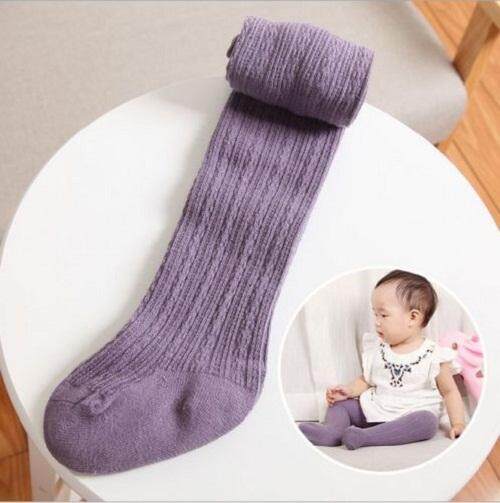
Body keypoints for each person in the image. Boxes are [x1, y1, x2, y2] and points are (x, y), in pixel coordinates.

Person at [299, 269, 466, 450]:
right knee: (340, 406)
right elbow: (366, 380)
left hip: (409, 416)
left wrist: (458, 423)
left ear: (413, 317)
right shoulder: (378, 349)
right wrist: (348, 391)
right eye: (375, 314)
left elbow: (449, 392)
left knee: (427, 422)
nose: (377, 321)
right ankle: (332, 432)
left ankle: (366, 437)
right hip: (374, 408)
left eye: (383, 315)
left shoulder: (434, 355)